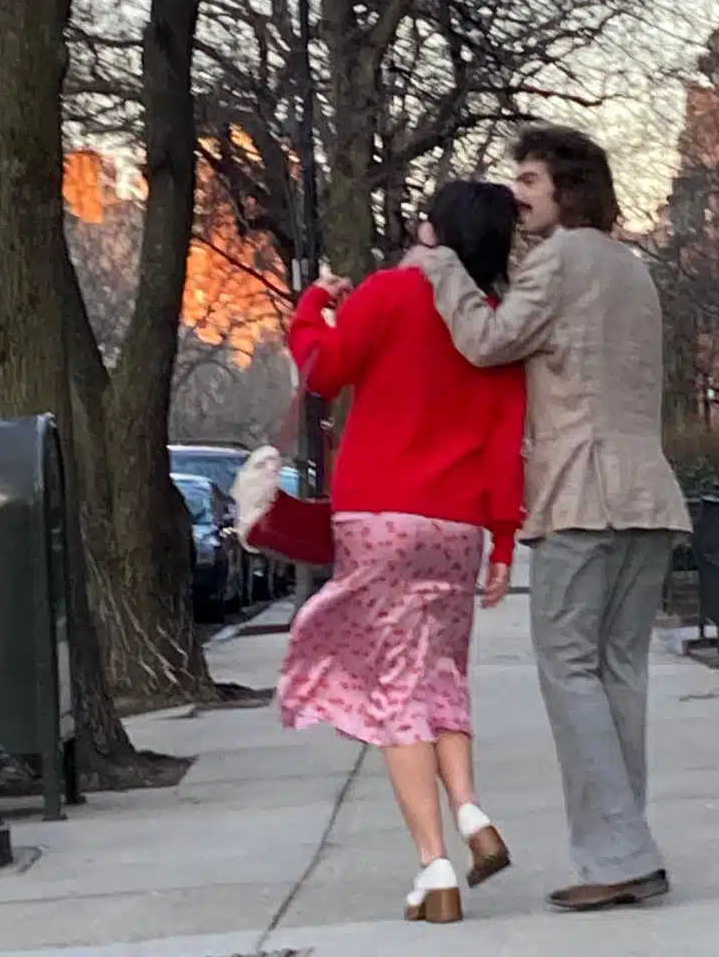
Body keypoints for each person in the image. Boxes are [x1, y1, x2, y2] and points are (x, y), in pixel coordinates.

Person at [404, 126, 693, 912]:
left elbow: (487, 341)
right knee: (618, 673)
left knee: (568, 671)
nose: (517, 194)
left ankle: (620, 854)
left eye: (529, 180)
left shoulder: (560, 259)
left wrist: (439, 264)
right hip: (647, 495)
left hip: (581, 494)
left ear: (569, 188)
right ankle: (625, 845)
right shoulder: (632, 268)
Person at [278, 181, 526, 925]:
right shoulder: (494, 326)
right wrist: (503, 539)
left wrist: (311, 308)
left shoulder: (388, 294)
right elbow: (505, 442)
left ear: (435, 231)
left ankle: (435, 864)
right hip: (457, 526)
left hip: (379, 514)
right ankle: (471, 810)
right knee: (441, 674)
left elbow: (324, 370)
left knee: (395, 691)